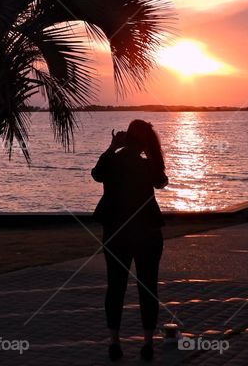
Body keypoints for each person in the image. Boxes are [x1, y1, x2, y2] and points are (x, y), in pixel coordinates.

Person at [92, 119, 168, 361]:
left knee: (116, 287)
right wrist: (153, 153)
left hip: (116, 232)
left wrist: (112, 147)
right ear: (145, 141)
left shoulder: (113, 161)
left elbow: (96, 174)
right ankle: (148, 343)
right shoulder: (148, 166)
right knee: (148, 287)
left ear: (126, 138)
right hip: (147, 233)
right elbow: (161, 181)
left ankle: (114, 342)